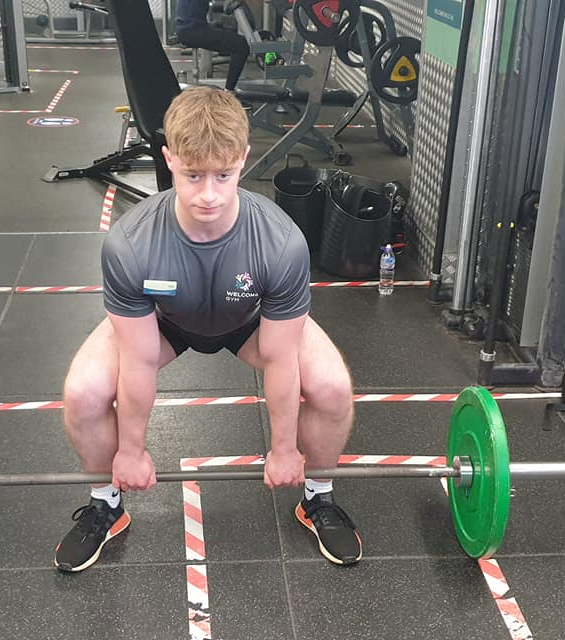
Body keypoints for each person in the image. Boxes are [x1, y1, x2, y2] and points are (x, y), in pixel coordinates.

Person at [54, 87, 361, 572]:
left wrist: (283, 449)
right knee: (84, 391)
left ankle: (316, 496)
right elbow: (136, 358)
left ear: (244, 158)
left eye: (224, 174)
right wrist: (131, 451)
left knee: (331, 387)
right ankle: (105, 504)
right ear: (169, 158)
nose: (209, 194)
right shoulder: (130, 245)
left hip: (248, 322)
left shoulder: (281, 243)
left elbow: (281, 357)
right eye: (193, 175)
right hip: (166, 322)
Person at [174, 0, 250, 92]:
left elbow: (213, 6)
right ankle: (229, 92)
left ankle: (228, 54)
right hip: (192, 30)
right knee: (241, 45)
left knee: (228, 30)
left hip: (191, 27)